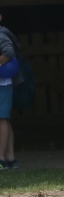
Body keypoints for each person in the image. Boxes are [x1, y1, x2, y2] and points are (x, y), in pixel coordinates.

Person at [0, 15, 18, 170]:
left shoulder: (1, 34)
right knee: (4, 119)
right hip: (3, 83)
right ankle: (10, 158)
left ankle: (1, 159)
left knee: (2, 119)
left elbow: (9, 52)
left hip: (2, 84)